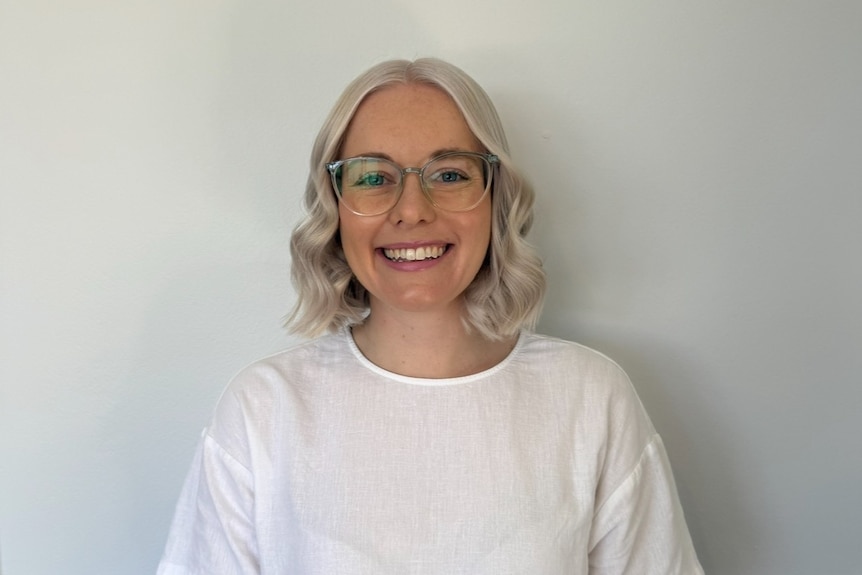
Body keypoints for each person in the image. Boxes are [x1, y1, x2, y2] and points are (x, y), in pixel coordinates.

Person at [157, 58, 703, 574]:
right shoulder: (264, 412)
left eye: (449, 174)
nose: (413, 209)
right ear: (335, 208)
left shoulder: (590, 400)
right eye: (373, 177)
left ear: (496, 198)